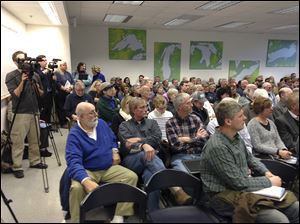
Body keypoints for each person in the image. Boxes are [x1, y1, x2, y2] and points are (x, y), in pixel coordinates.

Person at [199, 99, 299, 223]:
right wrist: (269, 182)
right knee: (278, 219)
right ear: (228, 121)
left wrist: (266, 172)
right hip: (221, 196)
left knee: (295, 208)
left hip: (240, 188)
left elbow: (250, 158)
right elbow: (237, 183)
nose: (245, 118)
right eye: (240, 116)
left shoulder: (235, 137)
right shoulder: (217, 147)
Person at [66, 102, 138, 223]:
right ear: (81, 117)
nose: (96, 115)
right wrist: (85, 180)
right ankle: (76, 220)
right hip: (87, 170)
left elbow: (113, 139)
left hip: (107, 167)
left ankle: (119, 215)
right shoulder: (74, 134)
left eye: (95, 111)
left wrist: (115, 151)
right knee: (76, 188)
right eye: (91, 113)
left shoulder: (102, 124)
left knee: (131, 177)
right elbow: (73, 161)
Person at [118, 97, 192, 211]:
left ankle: (152, 211)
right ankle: (175, 188)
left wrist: (138, 140)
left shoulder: (152, 123)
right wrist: (144, 145)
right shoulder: (124, 125)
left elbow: (156, 139)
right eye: (142, 107)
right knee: (146, 155)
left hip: (153, 159)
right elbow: (126, 145)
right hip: (132, 160)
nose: (146, 109)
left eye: (146, 106)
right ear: (133, 110)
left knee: (151, 175)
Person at [5, 50, 47, 178]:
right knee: (18, 140)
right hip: (20, 112)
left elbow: (41, 93)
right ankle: (17, 166)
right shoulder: (11, 76)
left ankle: (35, 161)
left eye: (25, 60)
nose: (23, 63)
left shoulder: (34, 75)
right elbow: (15, 94)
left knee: (35, 139)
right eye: (20, 60)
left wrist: (34, 83)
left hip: (34, 111)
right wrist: (22, 81)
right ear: (15, 61)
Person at [166, 93, 208, 173]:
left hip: (199, 155)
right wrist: (196, 138)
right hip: (181, 157)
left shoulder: (196, 119)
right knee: (186, 177)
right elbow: (176, 146)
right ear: (180, 107)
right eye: (188, 103)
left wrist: (186, 139)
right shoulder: (170, 123)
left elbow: (205, 140)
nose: (192, 105)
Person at [54, 61, 74, 127]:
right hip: (60, 93)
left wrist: (71, 87)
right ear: (60, 66)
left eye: (66, 65)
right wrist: (64, 89)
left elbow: (73, 82)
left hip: (68, 93)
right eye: (63, 65)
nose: (65, 66)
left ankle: (68, 121)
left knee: (67, 107)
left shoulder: (68, 73)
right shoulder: (57, 73)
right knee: (61, 108)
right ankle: (63, 123)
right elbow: (57, 83)